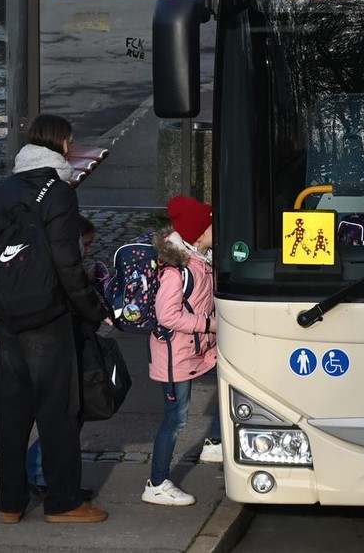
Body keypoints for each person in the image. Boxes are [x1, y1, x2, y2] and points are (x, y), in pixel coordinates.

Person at [0, 114, 110, 525]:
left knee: (12, 413)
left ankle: (10, 502)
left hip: (8, 316)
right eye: (70, 141)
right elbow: (67, 262)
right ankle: (63, 501)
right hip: (47, 317)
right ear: (62, 144)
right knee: (58, 413)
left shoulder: (4, 190)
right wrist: (93, 309)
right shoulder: (59, 192)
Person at [143, 195, 223, 506]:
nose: (218, 228)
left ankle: (214, 442)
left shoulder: (202, 258)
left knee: (230, 383)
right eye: (212, 225)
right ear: (199, 233)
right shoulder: (177, 271)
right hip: (175, 356)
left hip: (198, 349)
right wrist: (209, 324)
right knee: (175, 419)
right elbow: (167, 315)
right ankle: (156, 483)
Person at [27, 214, 100, 495]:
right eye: (86, 244)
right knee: (60, 420)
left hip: (64, 349)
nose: (88, 250)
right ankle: (39, 474)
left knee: (67, 419)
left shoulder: (64, 266)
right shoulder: (62, 269)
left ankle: (48, 475)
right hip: (59, 351)